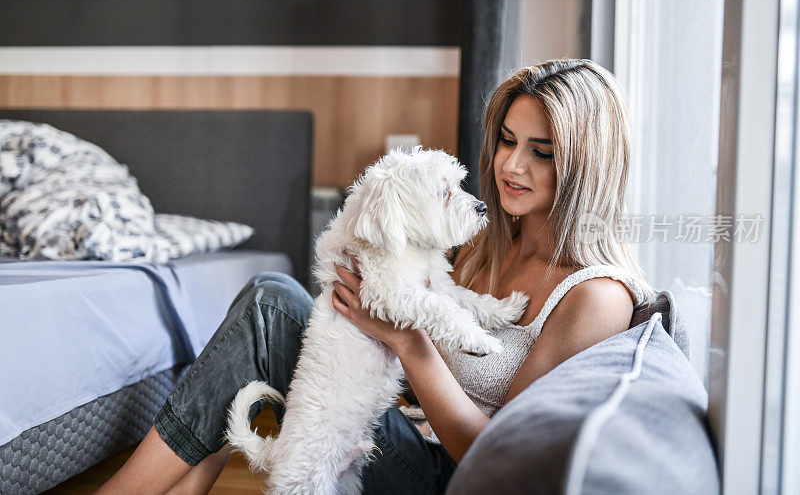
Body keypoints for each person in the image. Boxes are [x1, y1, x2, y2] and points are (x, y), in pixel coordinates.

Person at [99, 58, 656, 494]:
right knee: (267, 315)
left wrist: (407, 342)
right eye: (508, 141)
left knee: (269, 305)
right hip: (392, 426)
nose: (511, 166)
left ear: (586, 166)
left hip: (442, 476)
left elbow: (498, 456)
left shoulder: (594, 297)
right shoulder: (484, 246)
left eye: (542, 153)